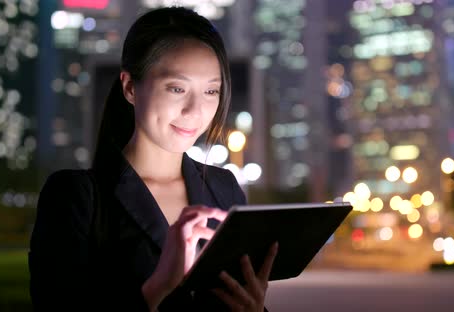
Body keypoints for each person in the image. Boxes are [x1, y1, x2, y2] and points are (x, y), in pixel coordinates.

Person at [28, 6, 277, 312]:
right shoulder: (77, 196)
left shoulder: (223, 187)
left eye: (211, 91)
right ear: (130, 87)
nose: (195, 111)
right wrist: (156, 287)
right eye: (176, 88)